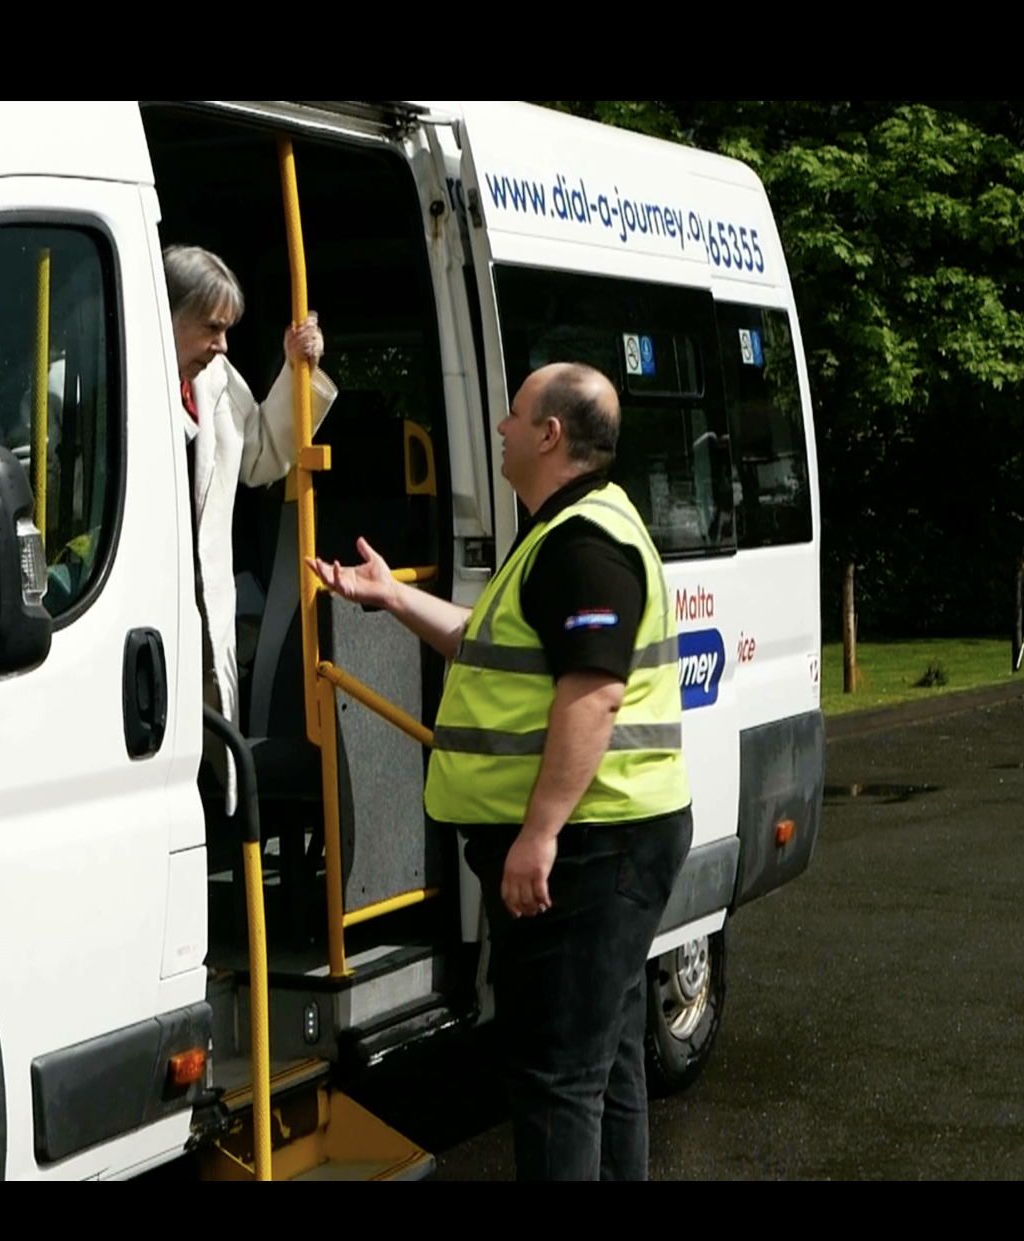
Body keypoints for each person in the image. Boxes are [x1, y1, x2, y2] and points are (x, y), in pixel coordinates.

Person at [306, 361, 692, 1181]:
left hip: (590, 849)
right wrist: (394, 598)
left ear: (551, 435)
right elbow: (491, 646)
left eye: (514, 416)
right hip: (607, 842)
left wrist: (540, 833)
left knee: (557, 1080)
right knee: (608, 1063)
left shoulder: (583, 543)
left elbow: (594, 691)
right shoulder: (560, 531)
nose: (501, 428)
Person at [165, 245, 338, 817]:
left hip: (200, 614)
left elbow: (262, 456)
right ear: (165, 311)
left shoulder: (213, 377)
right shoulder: (95, 373)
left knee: (208, 781)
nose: (222, 345)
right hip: (138, 611)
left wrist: (298, 368)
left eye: (227, 330)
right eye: (211, 328)